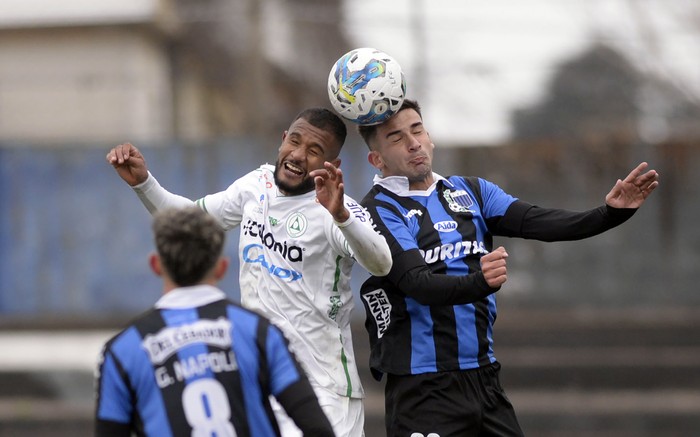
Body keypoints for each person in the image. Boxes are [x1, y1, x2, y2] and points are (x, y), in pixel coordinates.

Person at [355, 99, 659, 437]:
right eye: (396, 138)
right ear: (376, 159)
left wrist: (609, 213)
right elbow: (416, 283)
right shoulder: (377, 210)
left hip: (484, 381)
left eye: (417, 130)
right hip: (423, 388)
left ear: (430, 137)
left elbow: (538, 222)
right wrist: (480, 281)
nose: (413, 143)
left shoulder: (471, 191)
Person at [106, 108, 392, 437]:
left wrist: (341, 215)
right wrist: (144, 183)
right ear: (283, 139)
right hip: (264, 383)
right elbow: (189, 223)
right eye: (294, 141)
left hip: (324, 389)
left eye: (314, 151)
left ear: (332, 165)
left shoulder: (336, 208)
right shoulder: (257, 185)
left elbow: (381, 262)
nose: (298, 155)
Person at [94, 207, 335, 436]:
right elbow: (318, 429)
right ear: (222, 268)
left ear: (156, 265)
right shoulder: (259, 332)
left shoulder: (121, 352)